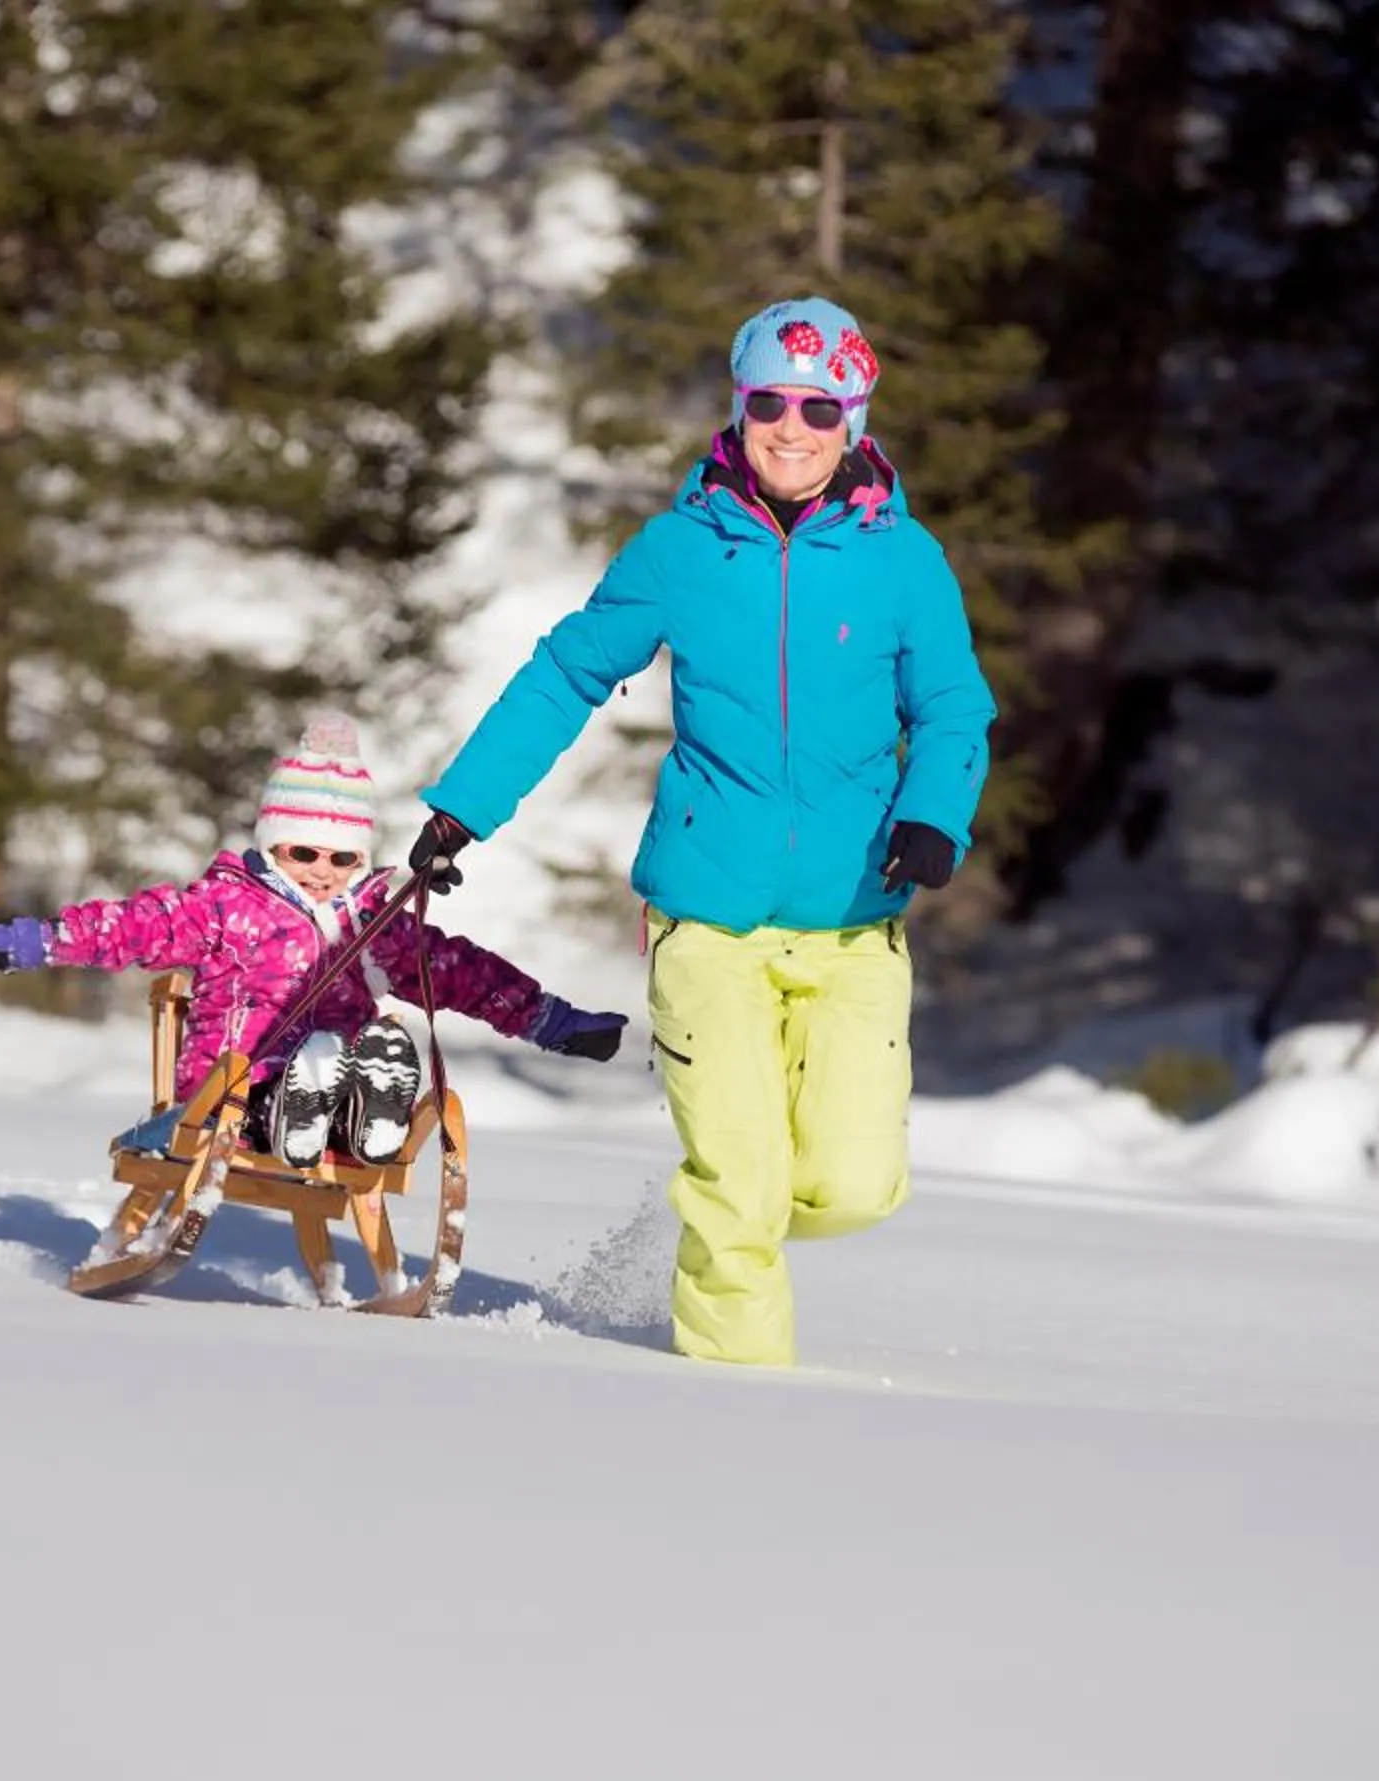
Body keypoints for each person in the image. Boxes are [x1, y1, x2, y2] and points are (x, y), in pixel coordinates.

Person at [409, 296, 994, 1368]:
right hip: (704, 917)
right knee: (740, 1178)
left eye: (819, 408)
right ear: (740, 404)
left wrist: (932, 815)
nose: (791, 425)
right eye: (769, 399)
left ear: (854, 420)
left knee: (854, 1185)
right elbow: (568, 671)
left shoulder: (904, 562)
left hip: (853, 917)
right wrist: (463, 805)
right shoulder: (679, 548)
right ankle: (733, 1402)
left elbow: (954, 709)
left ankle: (727, 1232)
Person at [0, 711, 626, 1166]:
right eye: (302, 853)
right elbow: (127, 930)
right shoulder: (227, 908)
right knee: (289, 1075)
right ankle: (309, 1100)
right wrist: (14, 944)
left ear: (361, 856)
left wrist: (554, 1022)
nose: (322, 872)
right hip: (229, 1099)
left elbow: (462, 975)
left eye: (340, 857)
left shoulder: (376, 922)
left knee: (357, 1058)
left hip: (335, 1093)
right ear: (271, 846)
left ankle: (366, 1115)